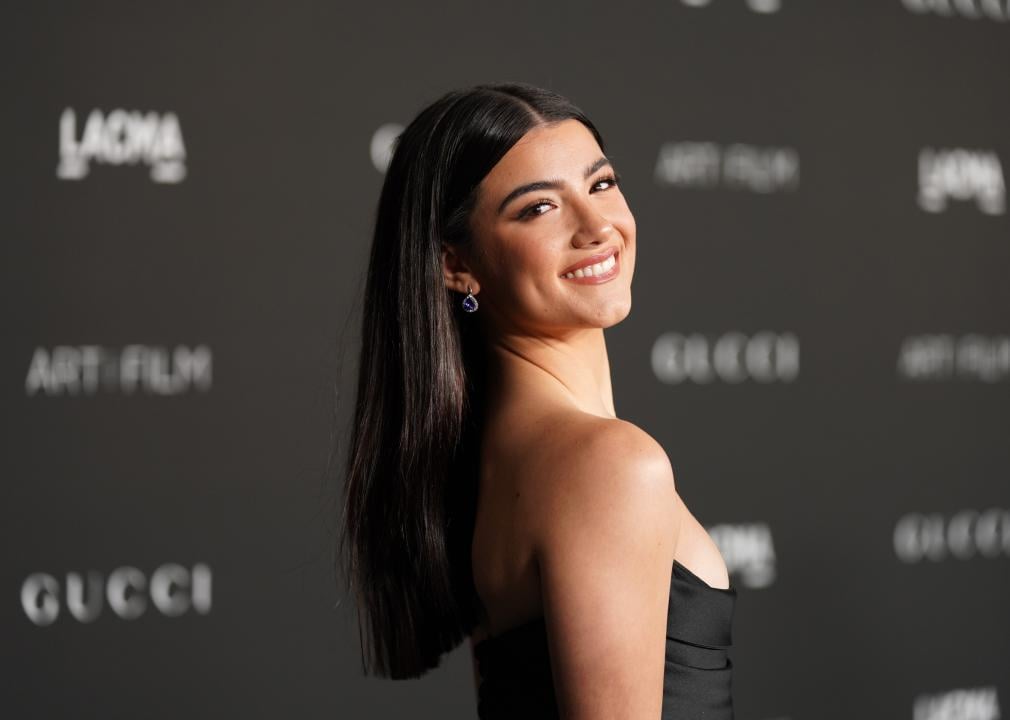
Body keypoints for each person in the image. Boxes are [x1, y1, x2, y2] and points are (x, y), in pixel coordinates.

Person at [339, 82, 737, 719]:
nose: (597, 226)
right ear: (455, 265)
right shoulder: (607, 465)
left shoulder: (485, 463)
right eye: (539, 209)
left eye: (601, 184)